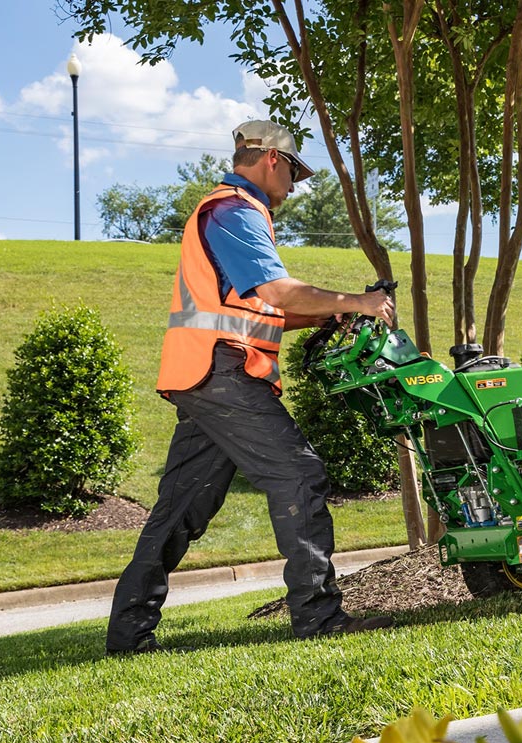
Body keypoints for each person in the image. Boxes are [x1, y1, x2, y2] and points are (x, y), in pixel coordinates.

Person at [106, 119, 396, 655]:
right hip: (223, 374)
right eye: (295, 172)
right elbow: (278, 290)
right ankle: (318, 617)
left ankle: (128, 635)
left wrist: (327, 317)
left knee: (181, 507)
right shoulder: (233, 211)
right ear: (272, 160)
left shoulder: (232, 214)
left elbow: (263, 312)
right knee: (299, 473)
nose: (296, 184)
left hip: (204, 375)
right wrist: (356, 303)